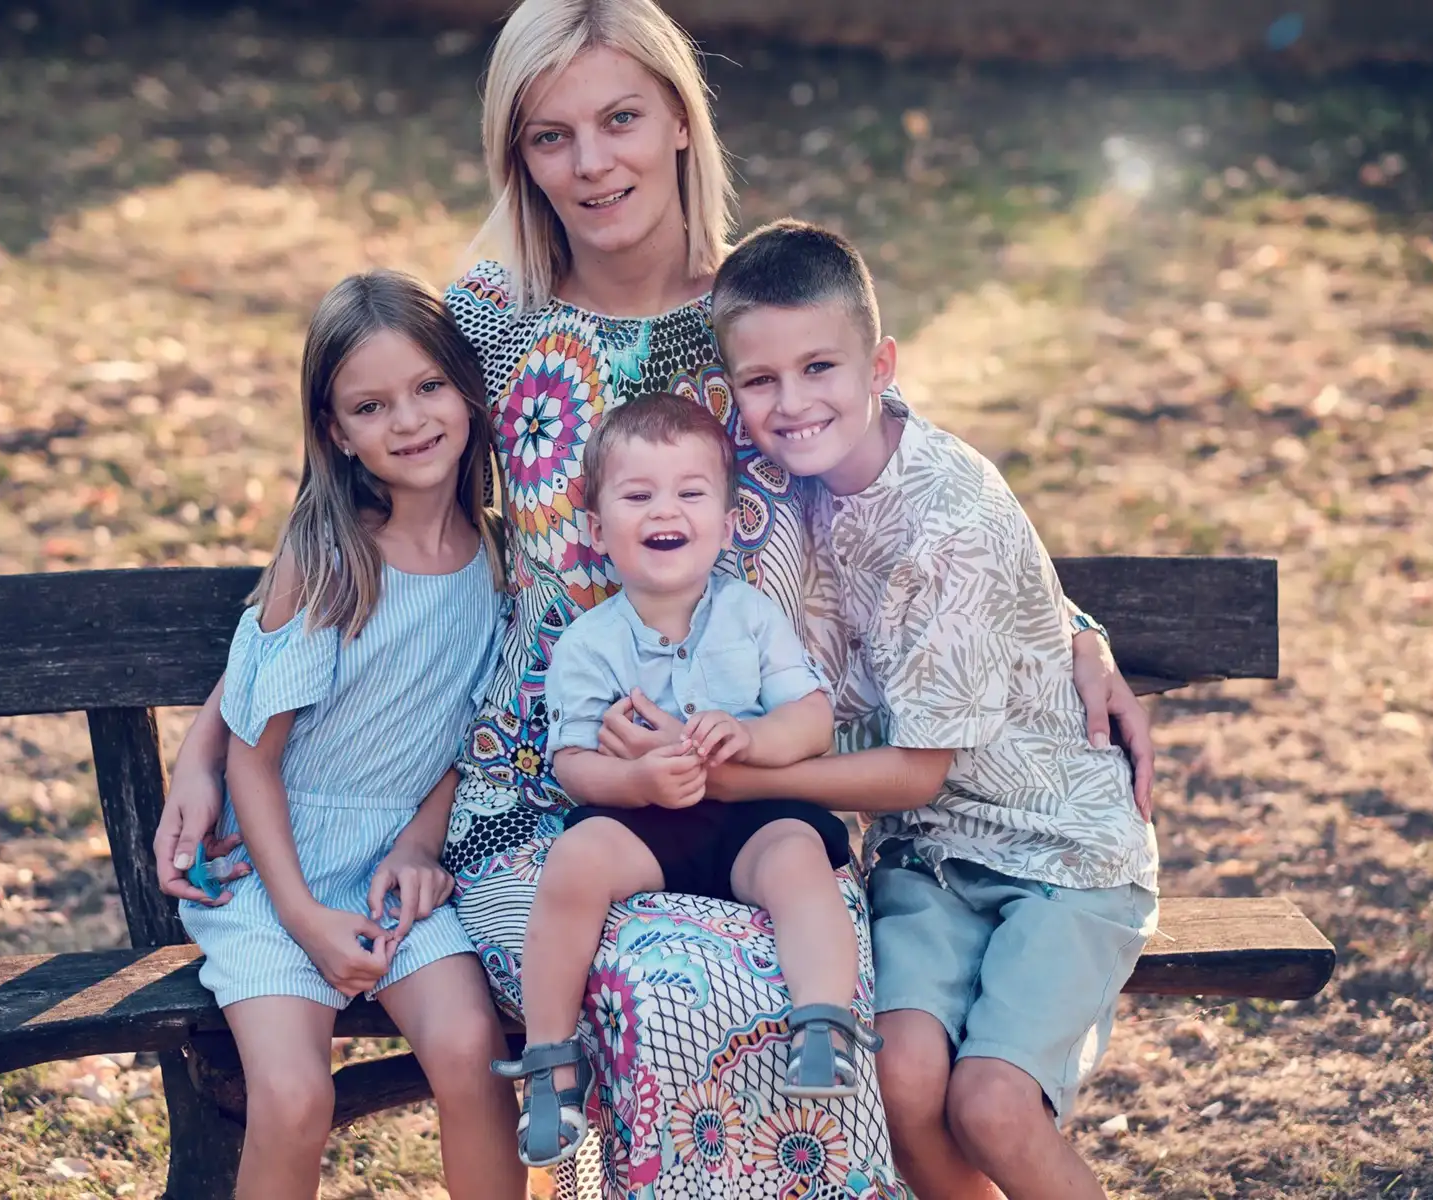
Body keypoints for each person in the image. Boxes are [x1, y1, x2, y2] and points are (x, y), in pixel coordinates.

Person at [153, 2, 1155, 1194]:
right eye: (549, 136)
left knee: (815, 1008)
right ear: (515, 158)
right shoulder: (490, 320)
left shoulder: (762, 320)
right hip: (544, 797)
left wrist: (1075, 630)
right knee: (670, 991)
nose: (592, 164)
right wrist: (215, 734)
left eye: (622, 118)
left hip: (760, 790)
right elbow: (348, 525)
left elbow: (913, 486)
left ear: (682, 119)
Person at [705, 219, 1161, 1200]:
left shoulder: (948, 516)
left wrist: (742, 775)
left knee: (989, 1102)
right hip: (924, 852)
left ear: (882, 365)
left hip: (1057, 847)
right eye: (760, 381)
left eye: (820, 367)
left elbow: (918, 767)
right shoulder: (786, 491)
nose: (791, 404)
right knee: (901, 1073)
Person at [176, 271, 523, 1200]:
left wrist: (420, 842)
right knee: (293, 1099)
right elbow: (255, 761)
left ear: (469, 389)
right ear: (335, 430)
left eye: (428, 387)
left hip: (395, 869)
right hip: (273, 873)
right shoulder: (328, 557)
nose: (408, 421)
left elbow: (479, 734)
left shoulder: (500, 559)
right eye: (371, 405)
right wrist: (301, 915)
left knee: (473, 1055)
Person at [498, 393, 871, 1167]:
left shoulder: (752, 616)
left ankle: (824, 1023)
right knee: (573, 864)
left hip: (752, 818)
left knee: (800, 862)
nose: (665, 510)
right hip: (648, 827)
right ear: (598, 529)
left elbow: (811, 719)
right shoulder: (588, 644)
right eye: (638, 496)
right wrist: (636, 780)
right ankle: (550, 1064)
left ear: (730, 520)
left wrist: (753, 735)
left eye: (690, 493)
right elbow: (573, 765)